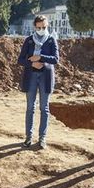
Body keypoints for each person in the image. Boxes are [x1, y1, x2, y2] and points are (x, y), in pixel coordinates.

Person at [18, 15, 58, 149]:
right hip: (31, 77)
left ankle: (42, 138)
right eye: (39, 27)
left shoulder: (52, 40)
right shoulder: (29, 41)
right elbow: (20, 60)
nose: (41, 29)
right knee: (30, 107)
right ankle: (28, 137)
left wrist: (40, 58)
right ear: (34, 27)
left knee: (44, 108)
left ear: (47, 26)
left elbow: (55, 59)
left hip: (46, 77)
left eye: (44, 27)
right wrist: (31, 64)